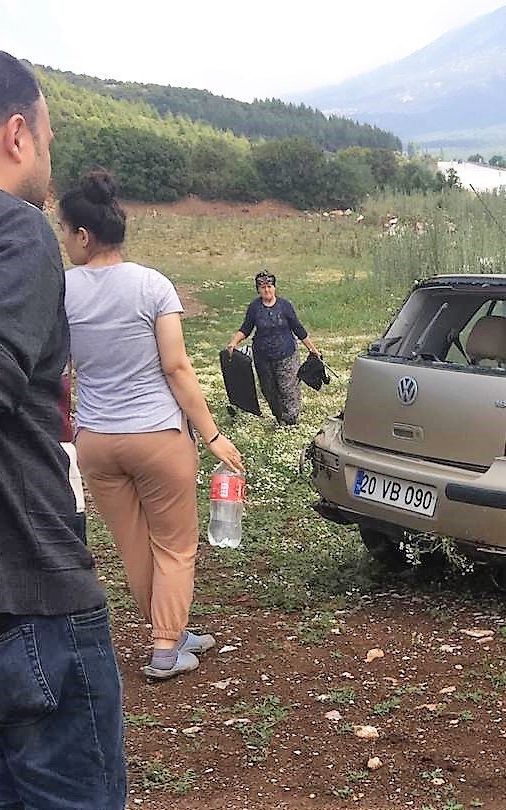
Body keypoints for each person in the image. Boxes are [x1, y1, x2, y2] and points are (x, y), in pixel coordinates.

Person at [0, 49, 126, 808]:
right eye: (49, 139)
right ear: (17, 133)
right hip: (27, 587)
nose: (49, 160)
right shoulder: (14, 230)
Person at [62, 169, 245, 680]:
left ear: (84, 235)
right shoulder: (152, 285)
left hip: (96, 442)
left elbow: (57, 367)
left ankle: (174, 629)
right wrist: (212, 434)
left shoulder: (61, 290)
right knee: (174, 545)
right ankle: (165, 648)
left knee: (135, 548)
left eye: (65, 231)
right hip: (158, 438)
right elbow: (177, 368)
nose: (64, 241)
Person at [227, 272, 321, 425]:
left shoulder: (285, 306)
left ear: (274, 288)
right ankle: (279, 418)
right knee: (269, 390)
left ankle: (291, 421)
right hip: (263, 357)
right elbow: (246, 328)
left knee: (288, 389)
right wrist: (234, 342)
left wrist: (312, 349)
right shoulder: (254, 307)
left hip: (286, 355)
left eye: (269, 286)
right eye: (263, 287)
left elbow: (298, 328)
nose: (267, 290)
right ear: (258, 290)